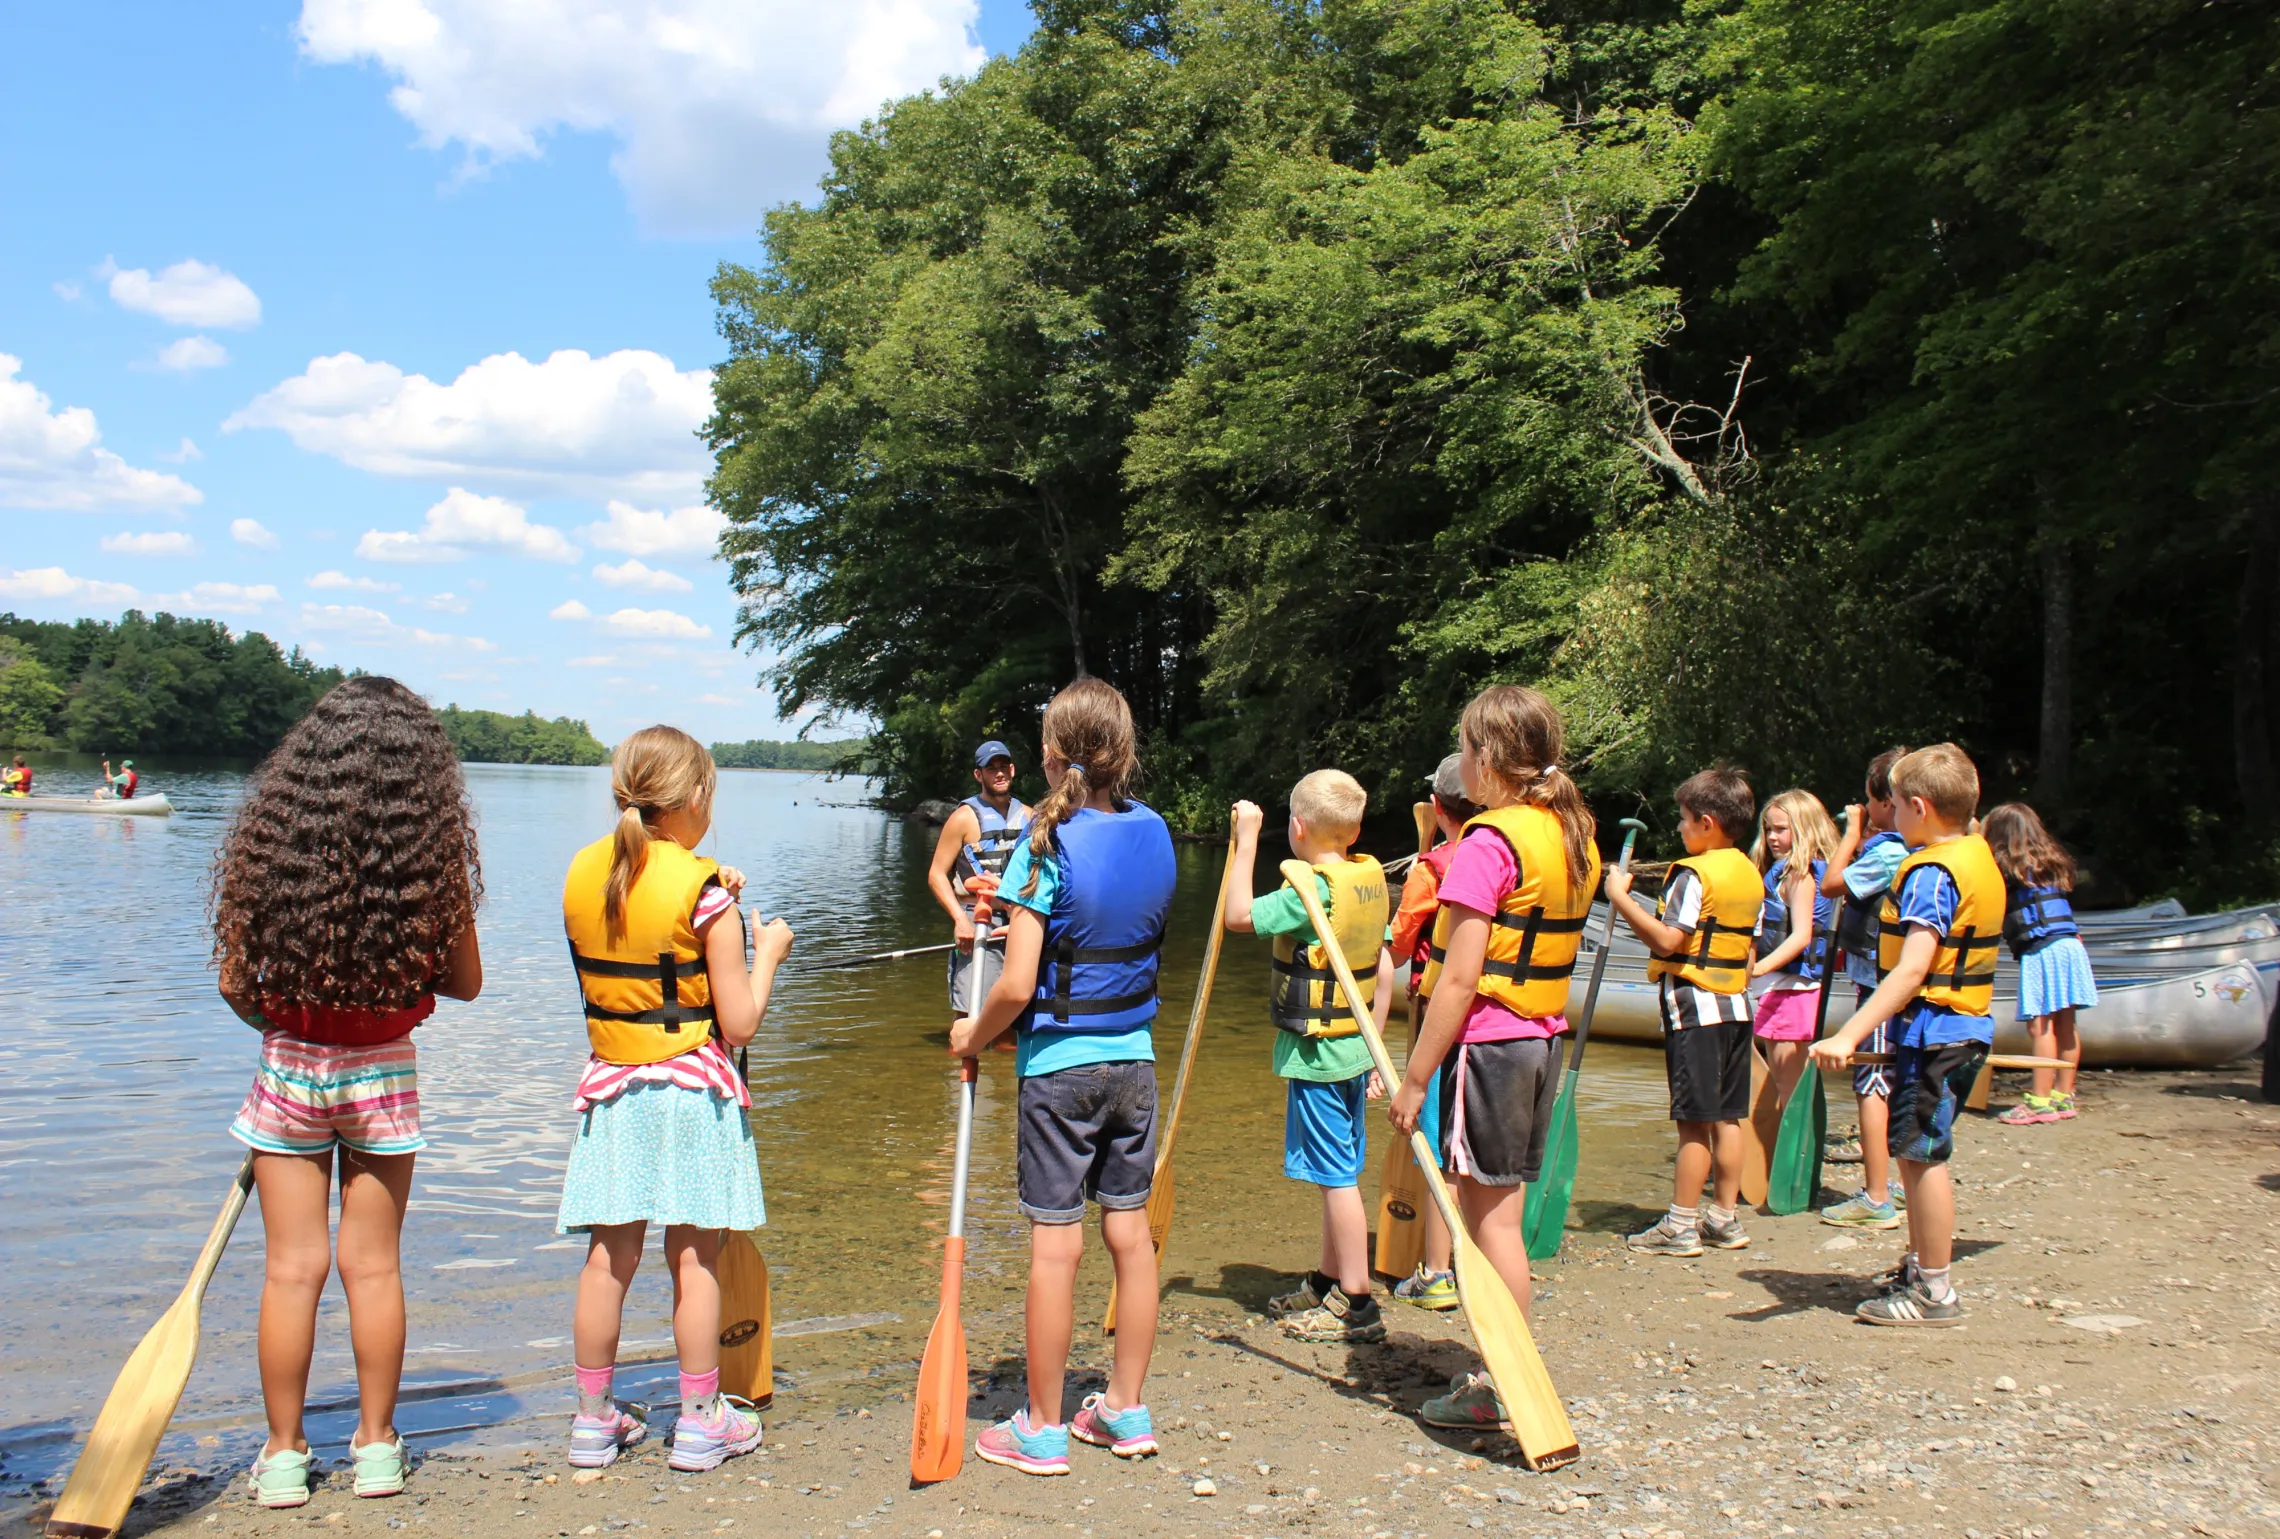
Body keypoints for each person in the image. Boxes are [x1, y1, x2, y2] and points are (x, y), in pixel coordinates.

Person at [211, 677, 484, 1509]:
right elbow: (465, 983)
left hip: (290, 1067)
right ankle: (374, 1448)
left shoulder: (270, 851)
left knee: (292, 1270)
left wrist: (283, 1016)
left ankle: (285, 1454)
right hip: (383, 1076)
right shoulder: (427, 863)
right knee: (373, 1267)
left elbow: (233, 985)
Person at [557, 727, 795, 1473]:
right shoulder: (706, 893)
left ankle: (593, 1421)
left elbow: (641, 924)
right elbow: (741, 1021)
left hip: (614, 1086)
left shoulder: (583, 873)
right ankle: (700, 1421)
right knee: (695, 1257)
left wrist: (710, 889)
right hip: (690, 1090)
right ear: (694, 799)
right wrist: (769, 955)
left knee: (608, 1258)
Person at [950, 678, 1173, 1475]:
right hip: (1135, 1063)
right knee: (1130, 1234)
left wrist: (969, 1034)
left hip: (1060, 1073)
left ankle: (1042, 1426)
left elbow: (1015, 985)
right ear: (1125, 751)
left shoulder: (1043, 844)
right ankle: (1124, 1406)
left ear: (1048, 755)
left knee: (1055, 1246)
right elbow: (1111, 919)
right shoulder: (1158, 831)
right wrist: (1016, 914)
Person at [1389, 685, 1599, 1430]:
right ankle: (1507, 1370)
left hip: (1490, 1046)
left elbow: (1459, 976)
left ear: (1488, 759)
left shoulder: (1488, 843)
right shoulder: (1573, 830)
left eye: (1468, 748)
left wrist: (1415, 1077)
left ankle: (1497, 1378)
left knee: (1491, 1225)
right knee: (1500, 1214)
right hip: (1540, 1038)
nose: (1464, 762)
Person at [1810, 743, 2002, 1327]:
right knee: (1915, 1153)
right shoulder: (1974, 853)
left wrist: (1849, 1034)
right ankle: (1923, 1265)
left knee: (1921, 1158)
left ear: (1918, 807)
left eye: (1892, 804)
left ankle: (1935, 1292)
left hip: (1937, 1033)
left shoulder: (1931, 876)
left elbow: (1914, 967)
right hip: (1957, 1028)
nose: (1886, 813)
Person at [1224, 770, 1395, 1345]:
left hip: (1322, 1057)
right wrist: (1377, 1046)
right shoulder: (1364, 878)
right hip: (1354, 1050)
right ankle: (1328, 1278)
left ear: (1296, 827)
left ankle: (1357, 1301)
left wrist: (1247, 839)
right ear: (1355, 829)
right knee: (1336, 1173)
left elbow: (1238, 916)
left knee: (1336, 1179)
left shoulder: (1313, 891)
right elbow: (1387, 966)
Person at [1608, 766, 1759, 1256]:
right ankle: (1724, 1216)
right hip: (1737, 1005)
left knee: (1693, 1121)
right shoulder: (1748, 871)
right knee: (1728, 1117)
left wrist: (1620, 898)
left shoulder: (1694, 874)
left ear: (1708, 823)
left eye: (1684, 819)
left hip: (1696, 1007)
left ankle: (1680, 1224)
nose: (1679, 827)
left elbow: (1670, 938)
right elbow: (1747, 952)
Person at [1381, 754, 1473, 1311]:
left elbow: (1396, 946)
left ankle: (1437, 1271)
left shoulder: (1430, 869)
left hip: (1438, 1017)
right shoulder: (1502, 854)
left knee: (1440, 1150)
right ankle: (1469, 1258)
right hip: (1496, 1021)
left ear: (1436, 808)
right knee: (1470, 1146)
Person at [1817, 747, 1912, 1228]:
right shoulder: (1916, 848)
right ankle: (1890, 1182)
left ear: (1886, 804)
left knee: (1872, 1086)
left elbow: (1832, 884)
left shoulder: (1891, 852)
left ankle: (1876, 1197)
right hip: (1897, 988)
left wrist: (1851, 834)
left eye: (1871, 801)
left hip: (1878, 989)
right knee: (1889, 1085)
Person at [1983, 802, 2098, 1124]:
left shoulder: (2007, 869)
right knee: (2066, 1024)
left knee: (2040, 1025)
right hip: (2071, 946)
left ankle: (2040, 1101)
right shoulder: (2048, 862)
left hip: (2043, 949)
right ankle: (2064, 1095)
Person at [1749, 790, 1841, 1116]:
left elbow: (1802, 935)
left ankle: (1792, 1163)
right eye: (1768, 829)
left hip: (1792, 991)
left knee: (1790, 1089)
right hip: (1788, 989)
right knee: (1791, 1085)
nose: (1772, 837)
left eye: (1781, 829)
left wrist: (1756, 970)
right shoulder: (1796, 871)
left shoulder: (1798, 874)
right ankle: (1793, 1157)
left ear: (1804, 829)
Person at [928, 740, 1030, 1014]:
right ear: (978, 775)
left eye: (1003, 767)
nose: (999, 773)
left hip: (1021, 919)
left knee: (1015, 1016)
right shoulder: (963, 817)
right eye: (991, 768)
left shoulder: (1031, 817)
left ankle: (1004, 1055)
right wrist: (961, 921)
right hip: (978, 919)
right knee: (970, 1014)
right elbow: (937, 874)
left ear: (1012, 770)